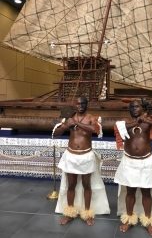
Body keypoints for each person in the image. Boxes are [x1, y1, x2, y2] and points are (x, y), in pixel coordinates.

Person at [114, 99, 152, 236]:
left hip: (146, 161)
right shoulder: (124, 122)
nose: (134, 109)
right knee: (130, 191)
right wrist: (137, 122)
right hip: (129, 161)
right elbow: (120, 127)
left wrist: (146, 120)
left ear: (142, 108)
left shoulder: (150, 120)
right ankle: (128, 219)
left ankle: (148, 222)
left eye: (137, 106)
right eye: (132, 107)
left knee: (146, 191)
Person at [52, 96, 110, 226]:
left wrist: (77, 123)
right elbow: (56, 133)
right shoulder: (69, 118)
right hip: (71, 155)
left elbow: (95, 130)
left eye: (83, 103)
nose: (80, 106)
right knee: (70, 185)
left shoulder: (91, 118)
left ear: (86, 104)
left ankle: (87, 214)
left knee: (86, 185)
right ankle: (69, 213)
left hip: (86, 155)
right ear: (75, 105)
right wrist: (67, 125)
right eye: (78, 104)